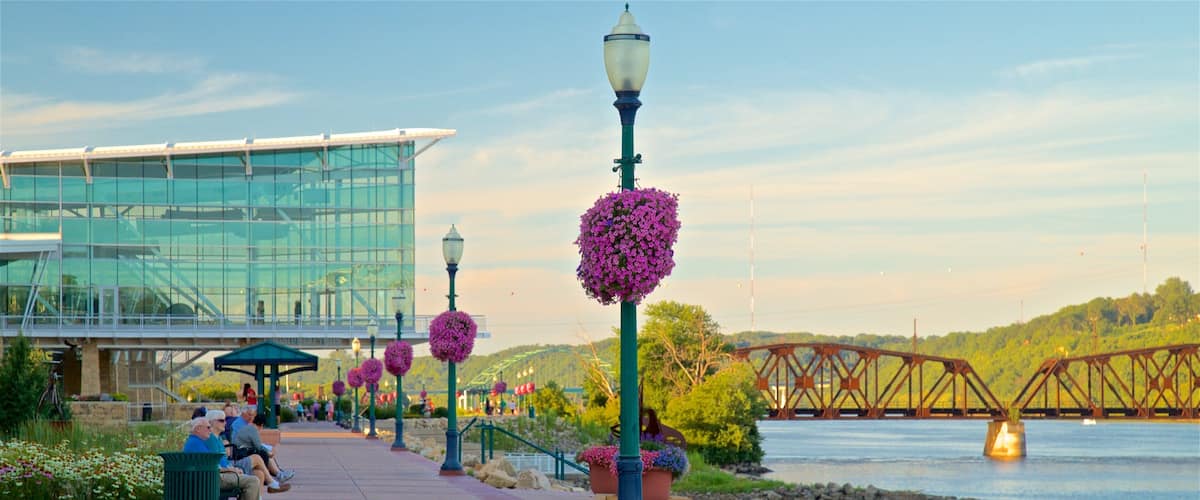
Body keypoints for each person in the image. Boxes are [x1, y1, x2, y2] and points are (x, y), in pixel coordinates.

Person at [205, 409, 288, 492]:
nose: (225, 423)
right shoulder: (210, 439)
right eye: (221, 420)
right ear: (211, 422)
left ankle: (265, 491)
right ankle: (272, 483)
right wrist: (231, 469)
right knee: (257, 458)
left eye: (225, 420)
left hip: (231, 464)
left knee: (259, 473)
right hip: (226, 471)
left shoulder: (219, 438)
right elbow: (215, 466)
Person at [183, 417, 261, 500]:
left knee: (253, 476)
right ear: (198, 429)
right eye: (208, 427)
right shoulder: (196, 443)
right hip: (210, 479)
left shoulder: (195, 442)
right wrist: (231, 470)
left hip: (206, 478)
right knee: (253, 481)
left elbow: (212, 465)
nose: (210, 430)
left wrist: (231, 469)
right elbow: (213, 467)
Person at [234, 407, 294, 482]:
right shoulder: (253, 430)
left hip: (242, 450)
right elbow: (258, 446)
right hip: (241, 452)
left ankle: (279, 474)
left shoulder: (249, 427)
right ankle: (277, 475)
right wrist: (268, 452)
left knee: (266, 453)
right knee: (265, 454)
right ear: (261, 425)